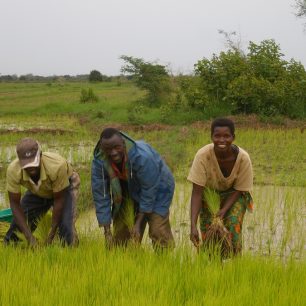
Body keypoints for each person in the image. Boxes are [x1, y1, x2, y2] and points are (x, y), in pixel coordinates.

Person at [91, 127, 175, 249]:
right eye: (108, 149)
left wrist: (138, 223)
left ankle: (164, 261)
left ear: (123, 144)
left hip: (158, 188)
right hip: (127, 188)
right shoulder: (99, 162)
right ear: (103, 149)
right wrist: (107, 232)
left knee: (158, 231)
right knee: (121, 239)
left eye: (117, 147)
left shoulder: (141, 156)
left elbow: (149, 191)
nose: (113, 153)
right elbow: (101, 196)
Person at [188, 118, 253, 255]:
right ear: (211, 137)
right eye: (217, 136)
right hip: (209, 197)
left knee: (233, 228)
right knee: (209, 237)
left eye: (226, 136)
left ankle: (236, 265)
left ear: (233, 137)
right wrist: (192, 225)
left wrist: (224, 210)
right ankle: (214, 270)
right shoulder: (202, 156)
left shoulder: (243, 158)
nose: (222, 140)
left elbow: (240, 189)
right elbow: (197, 193)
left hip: (234, 196)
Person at [4, 138, 80, 246]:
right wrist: (30, 238)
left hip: (64, 187)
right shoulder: (13, 170)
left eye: (33, 162)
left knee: (66, 228)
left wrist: (52, 232)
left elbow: (59, 199)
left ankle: (71, 251)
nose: (31, 167)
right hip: (38, 190)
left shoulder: (57, 166)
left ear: (40, 155)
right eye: (26, 164)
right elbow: (15, 204)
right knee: (14, 235)